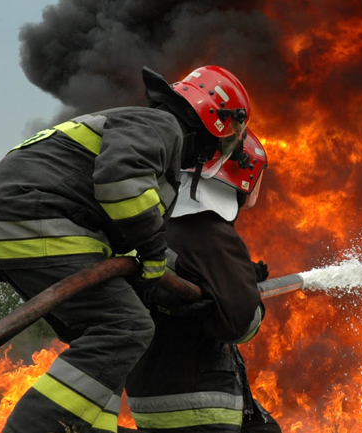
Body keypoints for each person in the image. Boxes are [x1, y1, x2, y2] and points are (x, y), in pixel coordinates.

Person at [0, 64, 252, 433]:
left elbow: (124, 226)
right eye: (229, 135)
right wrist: (152, 253)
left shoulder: (146, 130)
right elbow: (120, 184)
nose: (222, 148)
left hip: (18, 217)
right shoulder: (163, 127)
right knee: (127, 328)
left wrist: (168, 272)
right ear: (215, 118)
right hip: (36, 214)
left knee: (103, 344)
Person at [124, 128, 281, 433]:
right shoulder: (210, 231)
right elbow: (240, 323)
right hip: (197, 402)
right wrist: (249, 295)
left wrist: (238, 276)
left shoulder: (158, 224)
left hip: (149, 391)